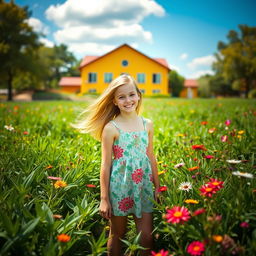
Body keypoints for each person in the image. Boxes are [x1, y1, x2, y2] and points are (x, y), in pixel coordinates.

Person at [74, 74, 160, 256]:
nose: (128, 100)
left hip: (143, 185)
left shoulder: (148, 125)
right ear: (114, 101)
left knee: (146, 238)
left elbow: (150, 156)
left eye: (131, 95)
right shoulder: (111, 128)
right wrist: (104, 198)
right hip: (119, 187)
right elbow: (105, 165)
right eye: (121, 97)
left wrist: (158, 187)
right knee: (117, 234)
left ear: (138, 95)